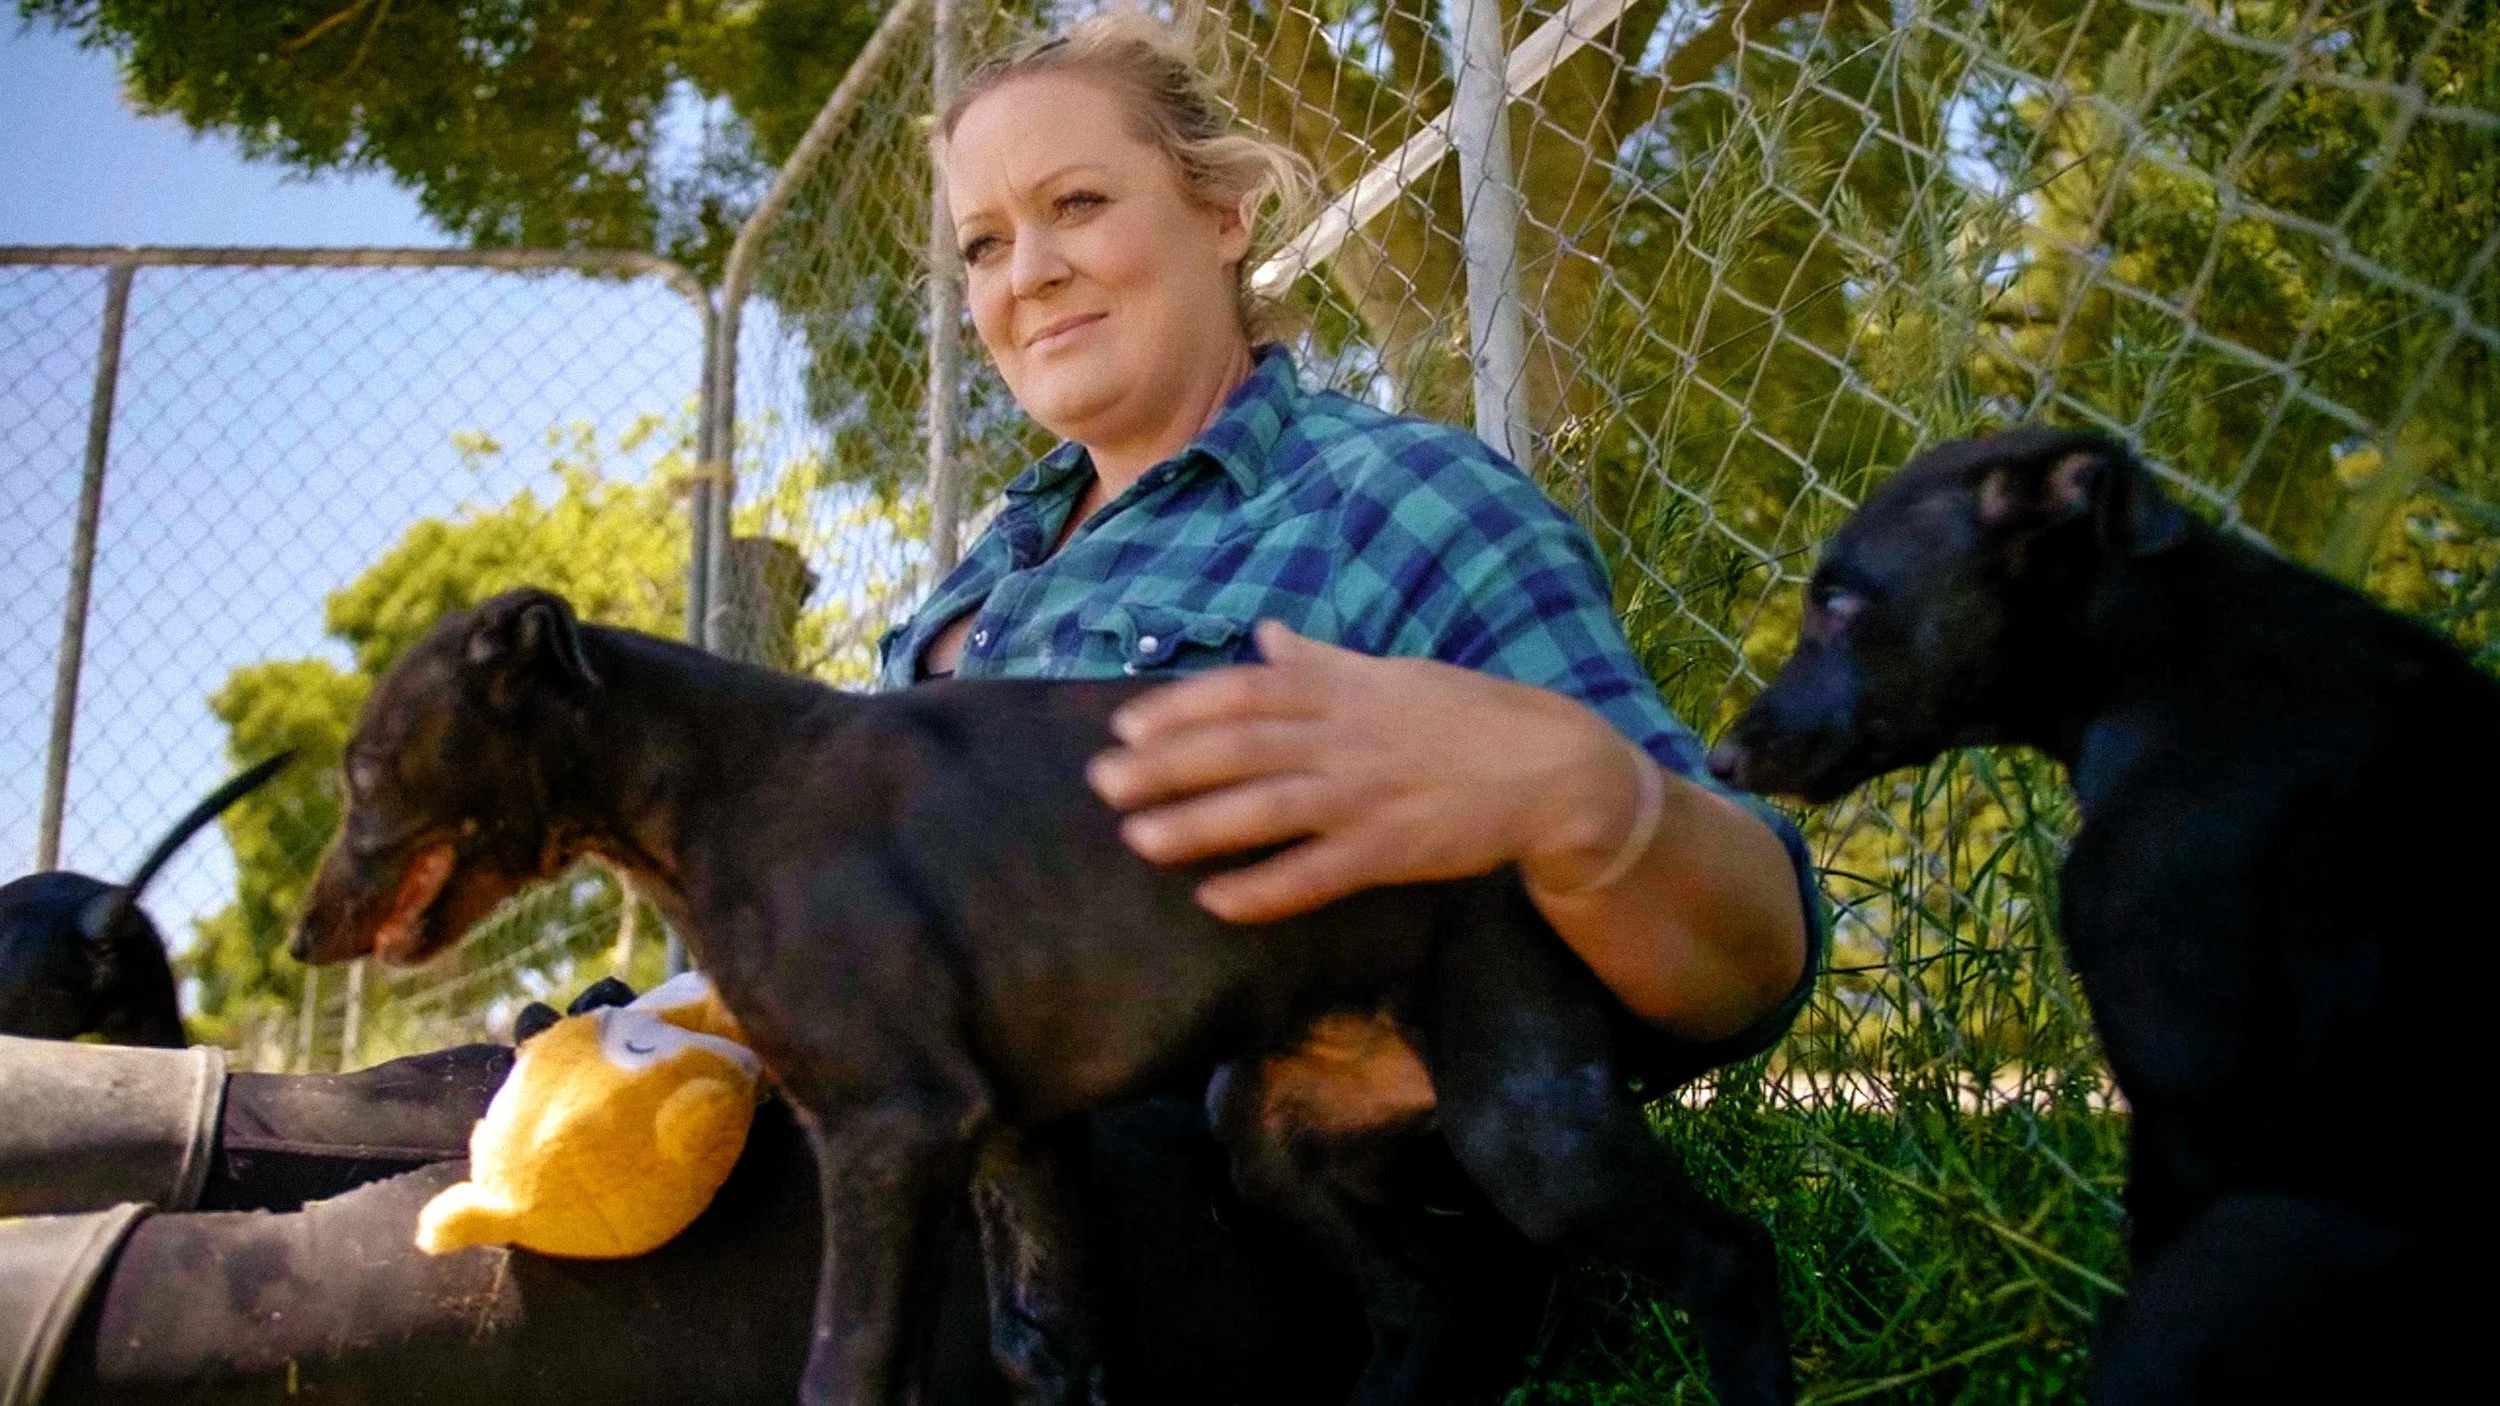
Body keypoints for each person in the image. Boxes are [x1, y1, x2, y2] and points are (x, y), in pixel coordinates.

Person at [9, 15, 1822, 1405]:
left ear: (1225, 210)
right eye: (979, 242)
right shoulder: (976, 592)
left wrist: (1586, 797)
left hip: (1185, 1191)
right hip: (925, 1122)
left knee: (393, 1263)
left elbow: (1748, 945)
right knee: (464, 1098)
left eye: (1076, 205)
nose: (1020, 272)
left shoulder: (1395, 506)